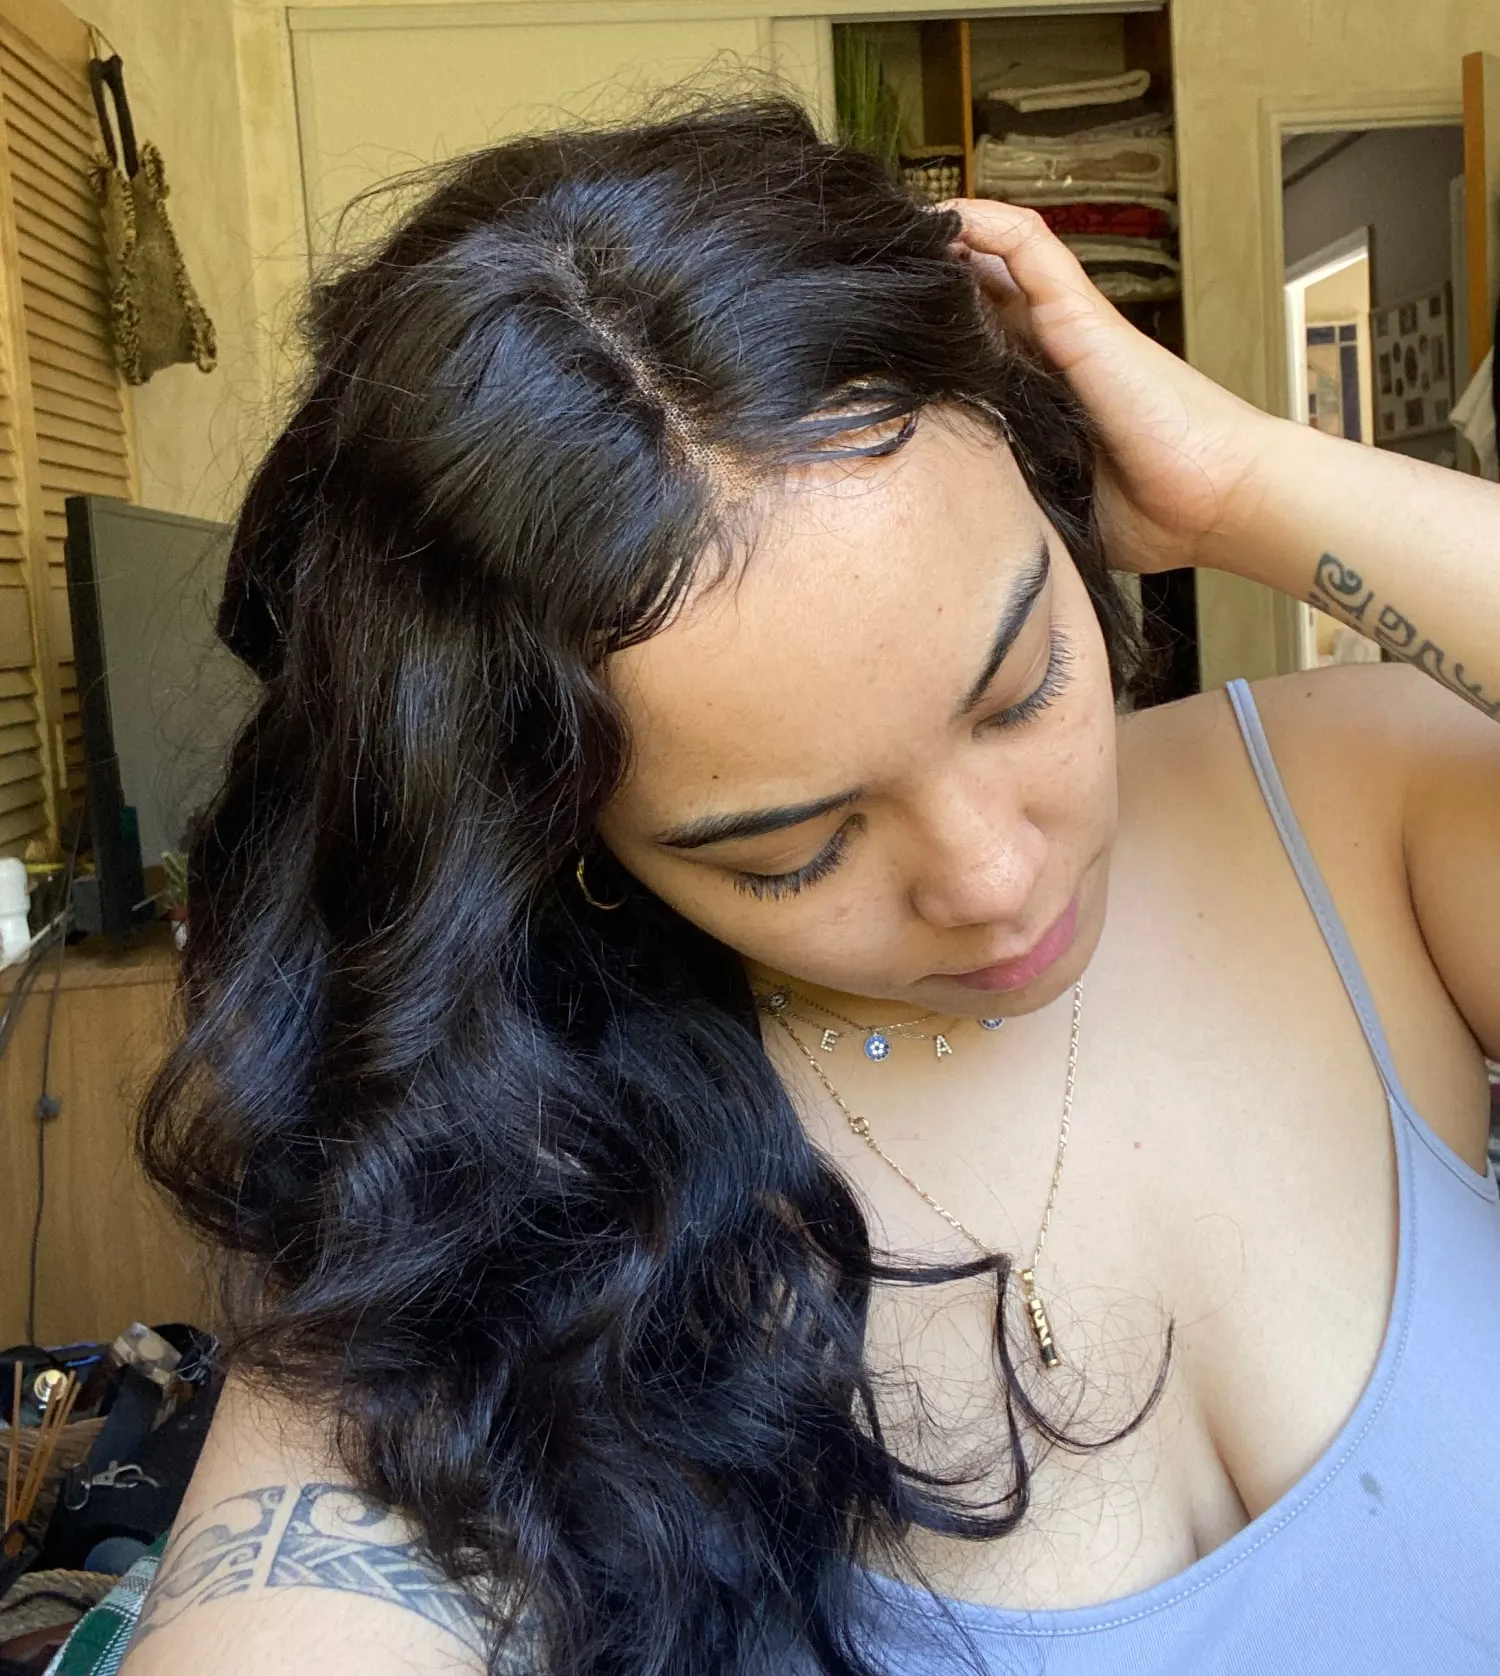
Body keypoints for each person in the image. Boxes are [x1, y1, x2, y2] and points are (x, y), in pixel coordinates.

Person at [117, 104, 1499, 1676]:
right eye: (792, 849)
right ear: (570, 835)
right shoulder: (500, 1184)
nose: (996, 878)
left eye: (1023, 688)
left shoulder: (1349, 811)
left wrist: (1245, 486)